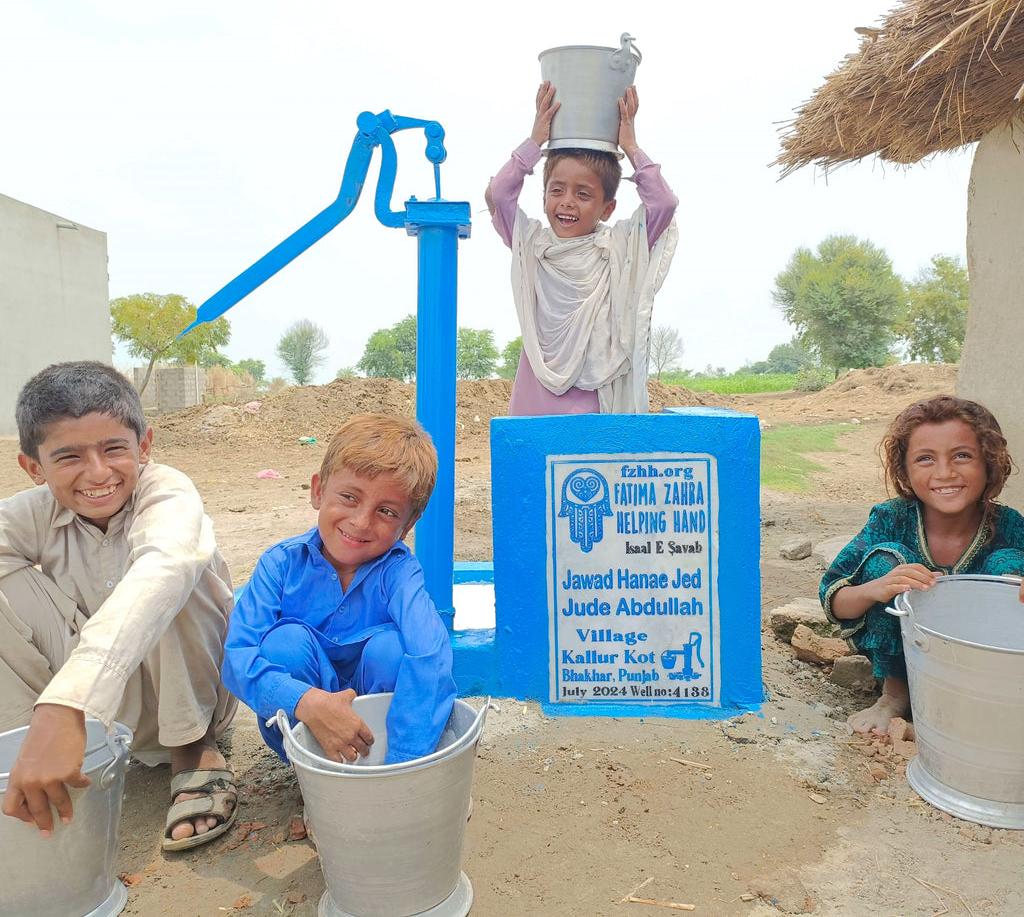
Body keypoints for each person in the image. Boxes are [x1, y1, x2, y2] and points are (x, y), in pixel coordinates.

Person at [0, 361, 238, 851]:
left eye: (114, 449)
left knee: (174, 576)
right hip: (90, 716)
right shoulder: (34, 514)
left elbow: (163, 566)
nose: (97, 472)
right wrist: (56, 711)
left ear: (144, 446)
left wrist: (66, 702)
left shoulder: (168, 492)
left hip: (187, 696)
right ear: (33, 468)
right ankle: (29, 752)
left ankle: (194, 755)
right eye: (68, 457)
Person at [223, 413, 456, 766]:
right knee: (283, 646)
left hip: (382, 742)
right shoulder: (281, 565)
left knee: (392, 650)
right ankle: (317, 776)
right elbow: (237, 656)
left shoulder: (399, 572)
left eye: (387, 511)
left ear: (408, 525)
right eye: (349, 497)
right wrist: (307, 702)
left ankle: (381, 771)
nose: (361, 521)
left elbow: (430, 654)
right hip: (305, 725)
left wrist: (404, 760)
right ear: (318, 491)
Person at [820, 395, 1024, 734]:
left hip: (979, 672)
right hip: (906, 656)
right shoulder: (891, 518)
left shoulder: (1010, 526)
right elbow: (835, 601)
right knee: (888, 562)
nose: (945, 473)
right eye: (925, 459)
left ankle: (972, 706)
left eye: (962, 455)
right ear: (905, 470)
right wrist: (878, 587)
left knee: (1011, 566)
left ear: (988, 463)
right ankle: (894, 695)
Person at [485, 81, 679, 415]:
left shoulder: (619, 249)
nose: (567, 202)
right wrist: (535, 141)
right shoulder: (530, 244)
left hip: (597, 405)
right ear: (544, 196)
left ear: (607, 209)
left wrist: (630, 145)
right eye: (557, 190)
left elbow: (663, 203)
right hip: (536, 402)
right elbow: (498, 194)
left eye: (583, 193)